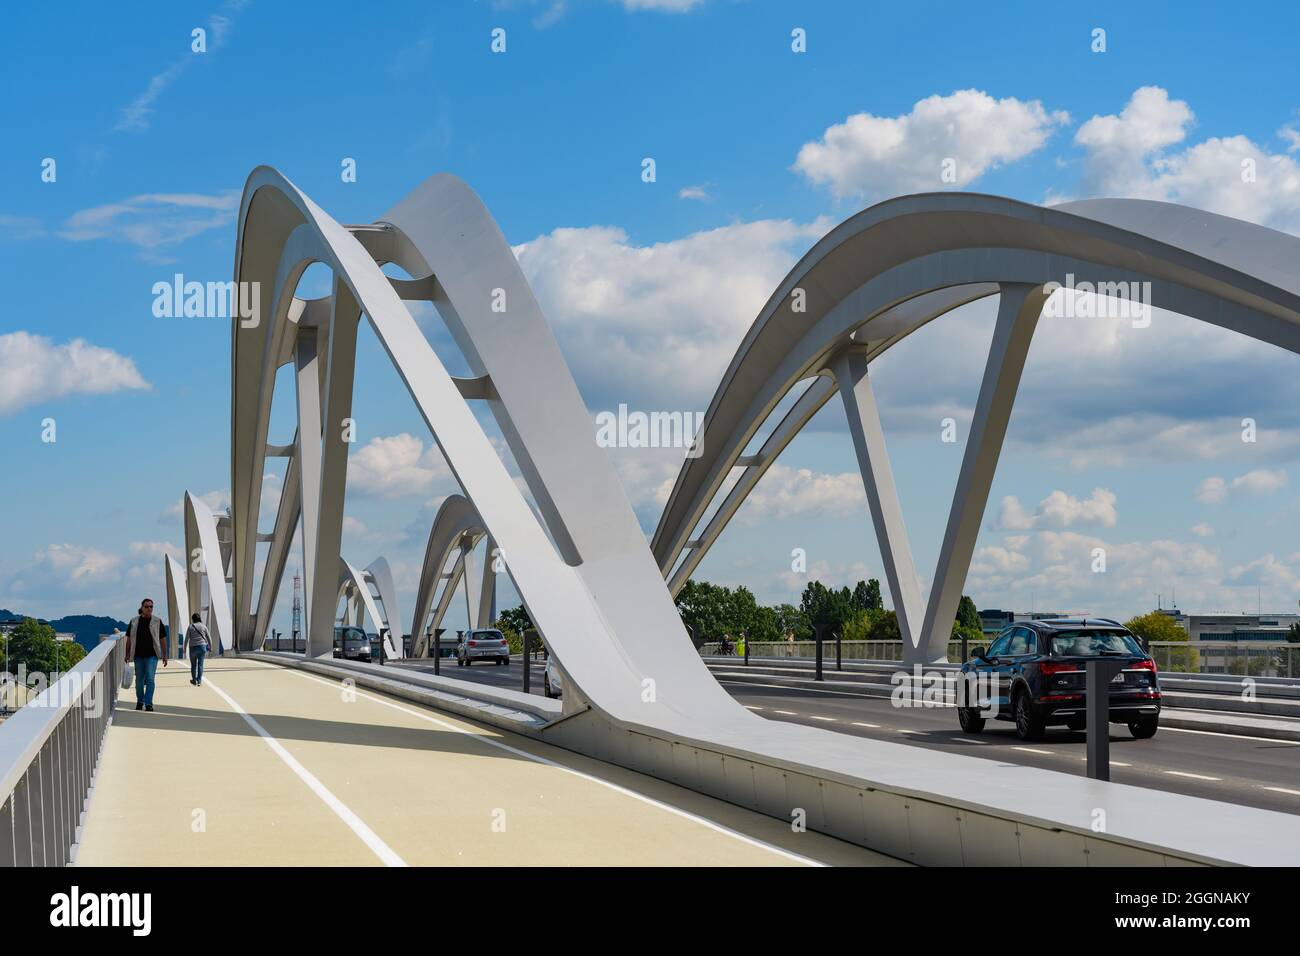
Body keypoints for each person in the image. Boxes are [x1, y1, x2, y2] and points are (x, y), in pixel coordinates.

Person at [124, 598, 168, 711]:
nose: (149, 609)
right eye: (147, 607)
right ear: (142, 608)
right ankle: (140, 701)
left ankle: (148, 703)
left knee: (150, 679)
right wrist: (127, 654)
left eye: (151, 607)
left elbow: (162, 638)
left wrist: (164, 654)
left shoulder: (157, 621)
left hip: (152, 655)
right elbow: (129, 639)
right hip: (138, 655)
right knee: (139, 680)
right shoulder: (134, 621)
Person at [184, 612, 211, 687]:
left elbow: (186, 639)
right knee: (200, 665)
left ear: (193, 619)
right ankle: (199, 681)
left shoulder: (190, 627)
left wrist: (184, 648)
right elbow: (209, 638)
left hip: (192, 648)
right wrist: (210, 646)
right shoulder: (204, 626)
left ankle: (194, 680)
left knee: (193, 665)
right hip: (202, 647)